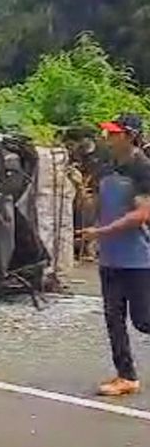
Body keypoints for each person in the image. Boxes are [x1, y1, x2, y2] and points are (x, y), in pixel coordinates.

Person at [79, 113, 150, 396]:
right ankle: (126, 376)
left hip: (138, 259)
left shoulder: (142, 169)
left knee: (143, 321)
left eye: (115, 133)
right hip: (109, 258)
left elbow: (143, 214)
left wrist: (103, 232)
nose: (108, 138)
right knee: (114, 318)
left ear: (129, 136)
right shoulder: (106, 167)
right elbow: (99, 202)